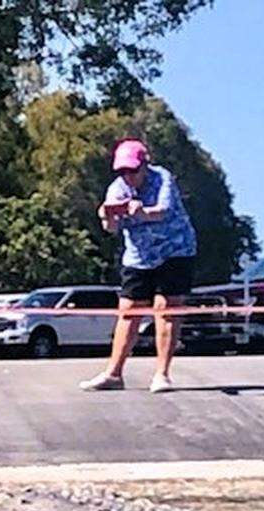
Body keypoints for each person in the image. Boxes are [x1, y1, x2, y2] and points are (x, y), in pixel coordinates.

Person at [81, 139, 198, 394]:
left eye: (132, 170)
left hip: (175, 250)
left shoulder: (162, 178)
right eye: (122, 171)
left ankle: (162, 374)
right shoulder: (117, 188)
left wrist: (139, 211)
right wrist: (106, 216)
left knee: (165, 308)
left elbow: (162, 212)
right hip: (139, 256)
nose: (128, 176)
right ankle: (113, 373)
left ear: (145, 165)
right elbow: (111, 229)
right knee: (129, 311)